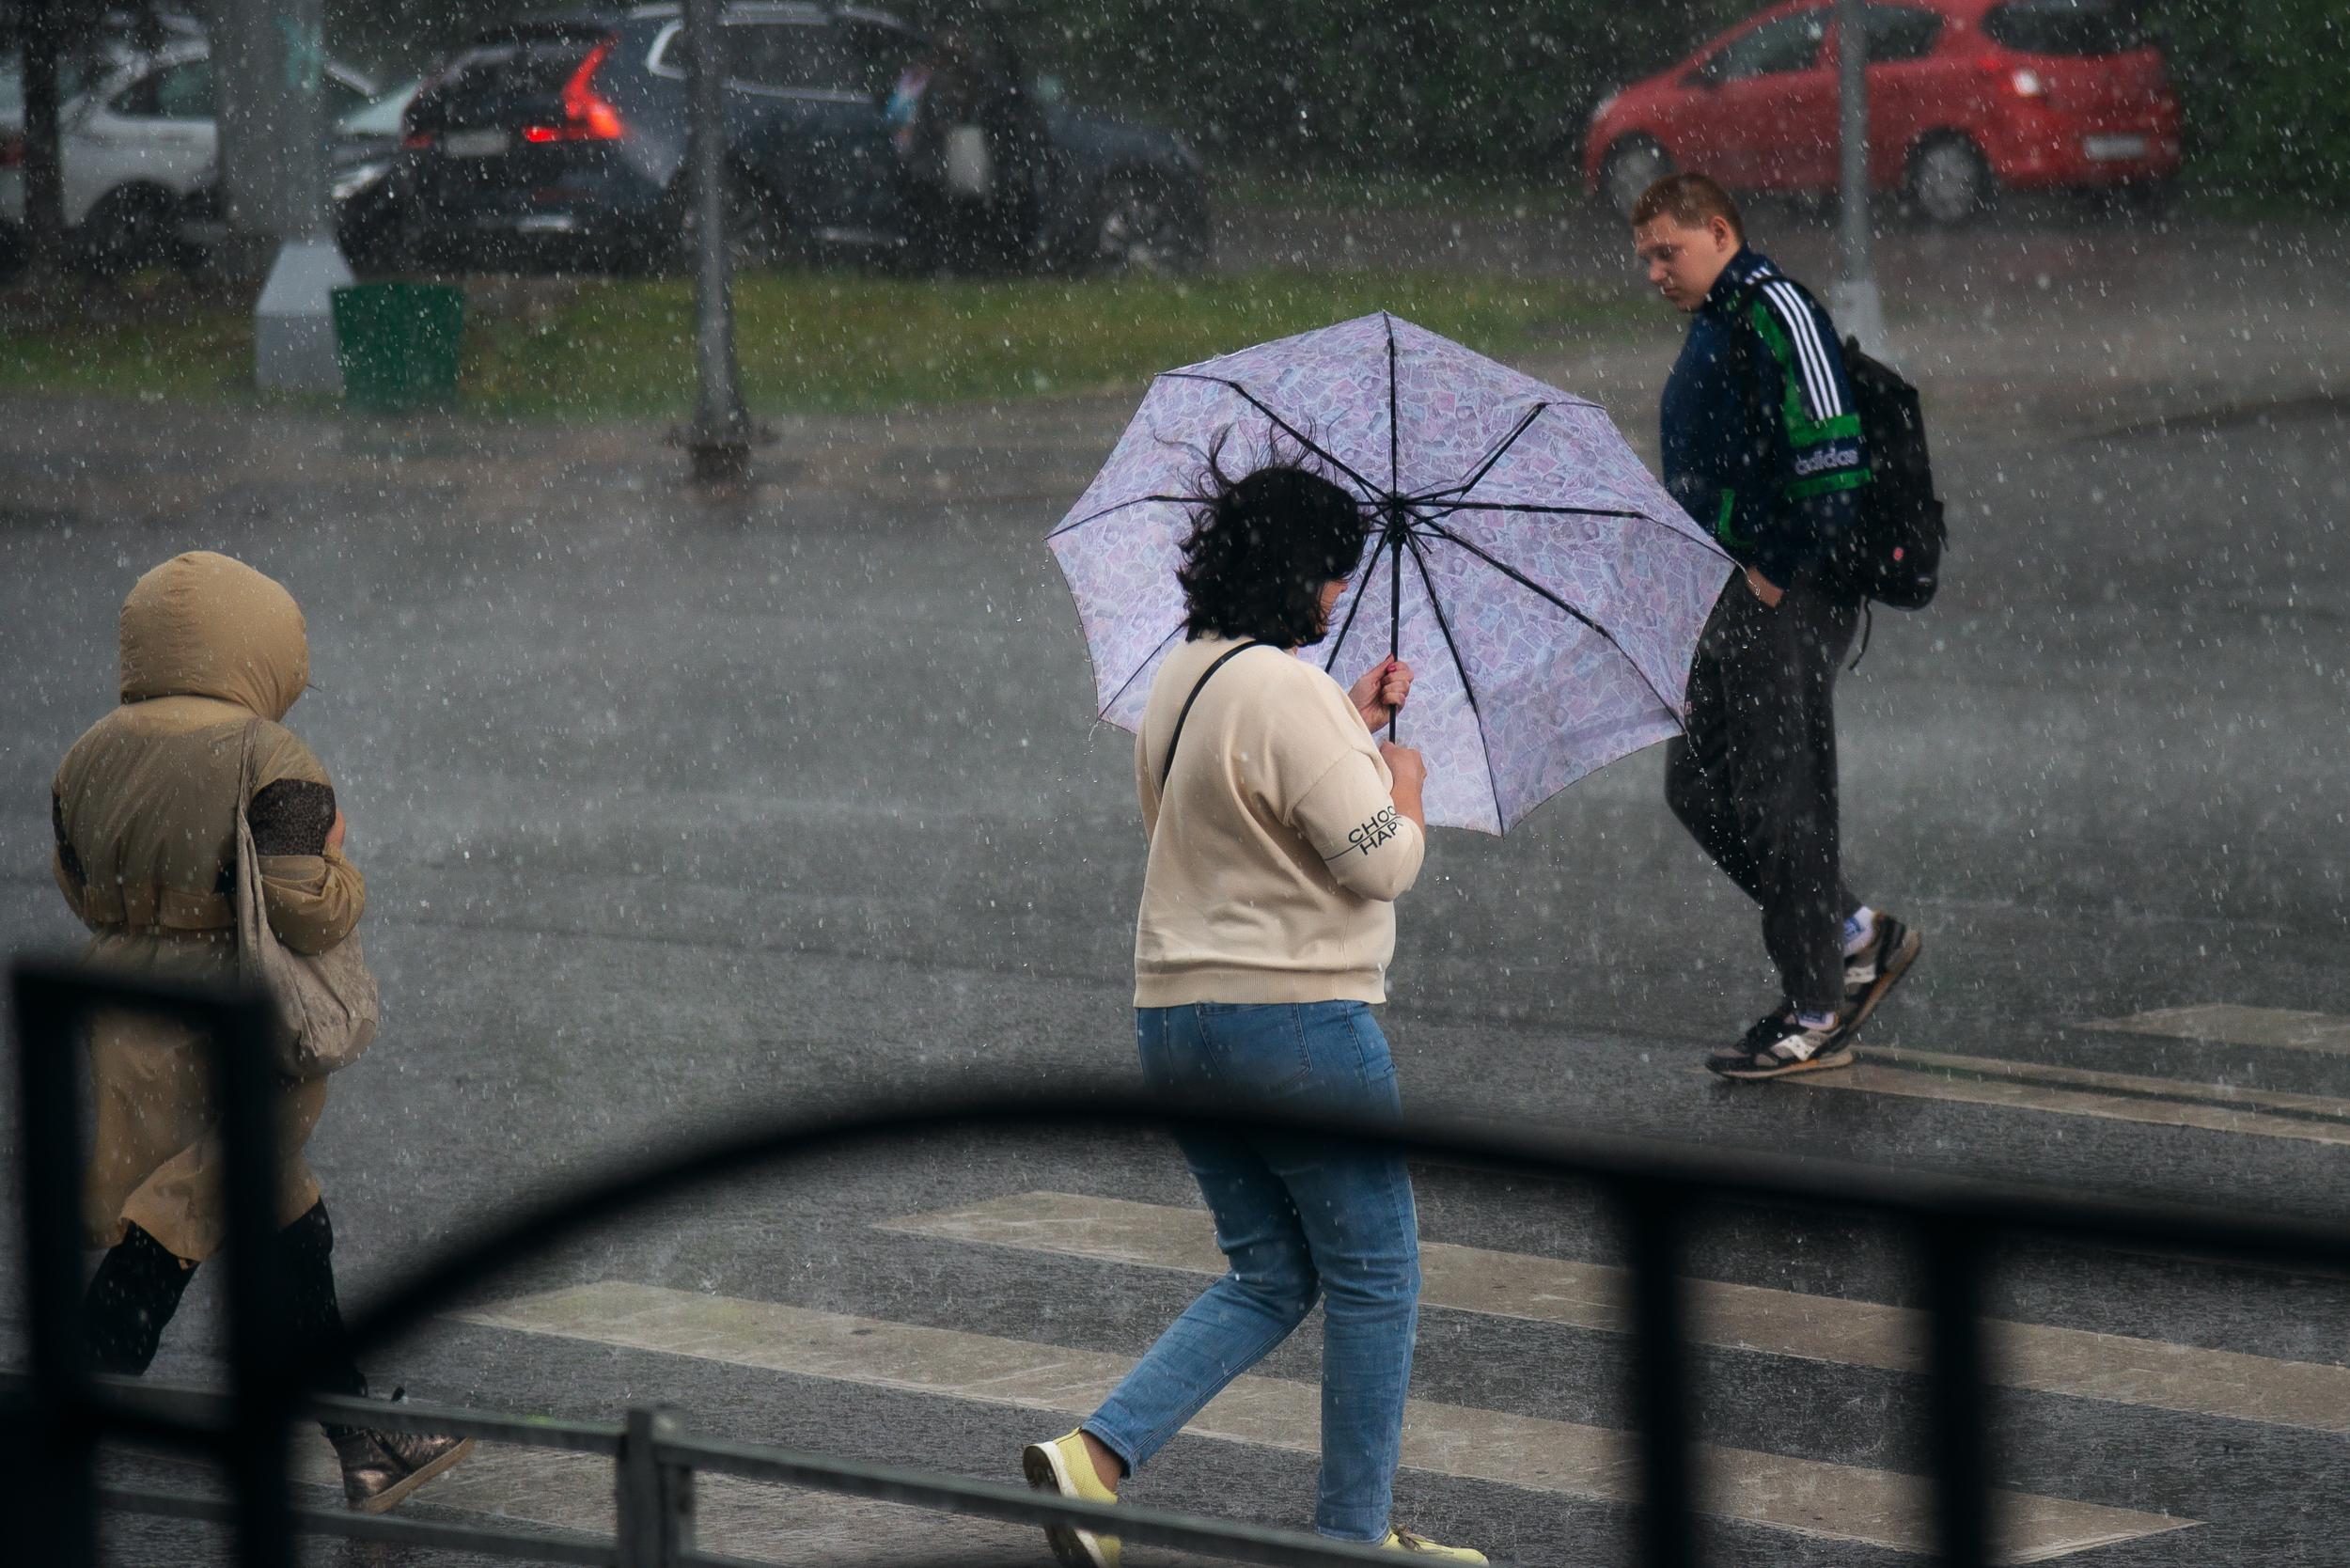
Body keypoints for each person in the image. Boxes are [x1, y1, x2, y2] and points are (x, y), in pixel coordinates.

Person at [1019, 450, 1484, 1565]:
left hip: (1176, 1021)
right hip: (1298, 1027)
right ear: (1294, 574)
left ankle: (1097, 1458)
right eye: (1333, 575)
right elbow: (1379, 864)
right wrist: (1401, 783)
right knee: (1376, 1278)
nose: (1337, 595)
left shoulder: (1185, 677)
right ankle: (1351, 1539)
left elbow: (1222, 822)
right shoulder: (1286, 690)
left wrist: (1346, 723)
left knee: (1273, 1273)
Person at [51, 550, 471, 1513]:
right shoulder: (269, 756)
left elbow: (77, 885)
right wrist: (343, 870)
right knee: (202, 1210)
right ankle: (78, 1402)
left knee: (259, 1211)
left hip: (121, 1002)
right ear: (260, 645)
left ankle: (364, 1435)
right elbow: (304, 907)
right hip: (234, 1010)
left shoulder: (87, 752)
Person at [1629, 173, 1923, 1081]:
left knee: (1778, 798)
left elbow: (1832, 462)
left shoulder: (1775, 309)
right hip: (1727, 591)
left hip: (1782, 596)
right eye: (1643, 257)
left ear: (1720, 232)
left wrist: (1776, 566)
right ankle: (1855, 934)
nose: (1653, 272)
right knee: (1696, 783)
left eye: (1666, 251)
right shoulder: (1718, 321)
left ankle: (1816, 1010)